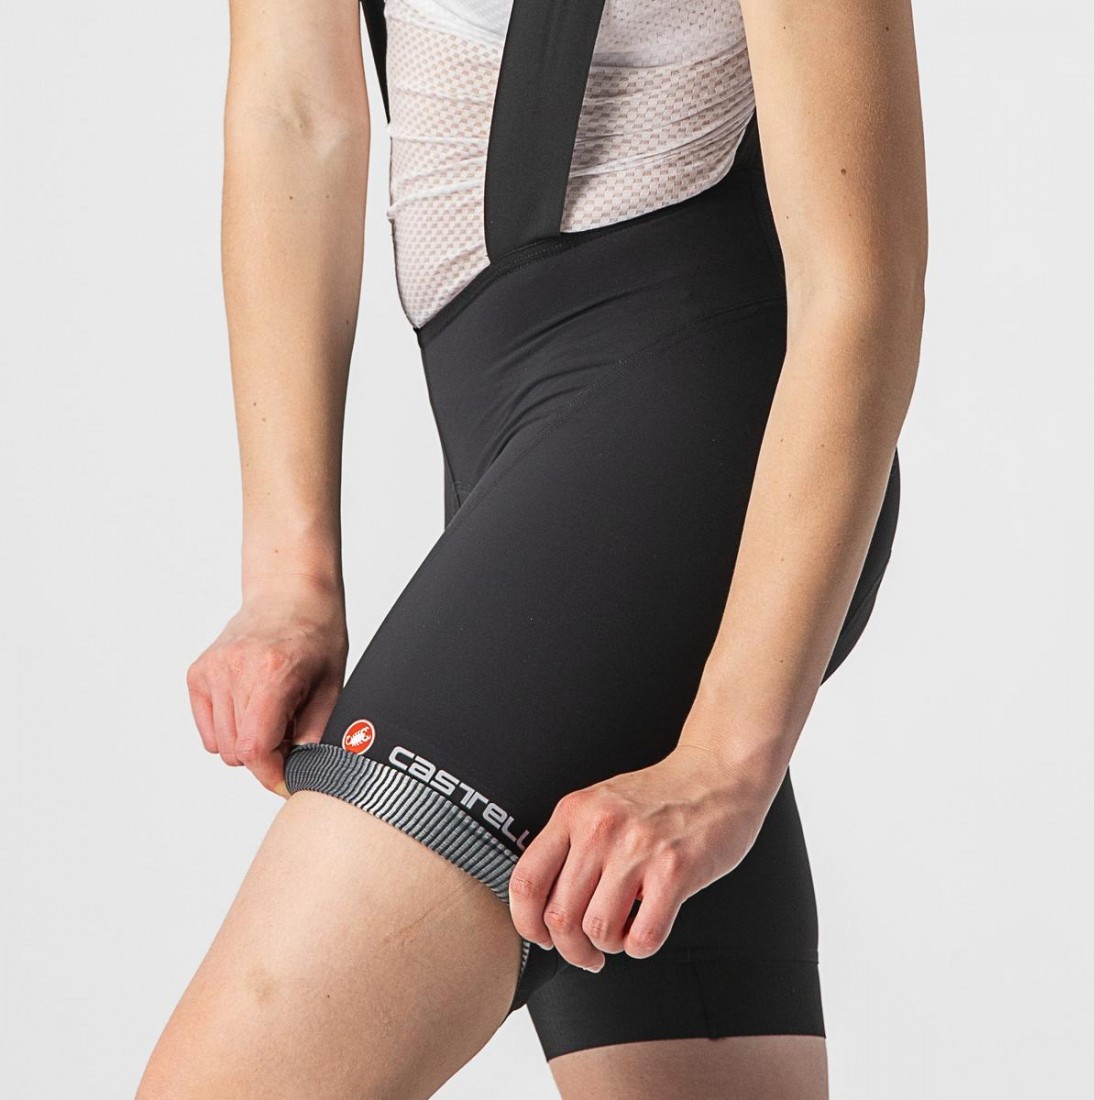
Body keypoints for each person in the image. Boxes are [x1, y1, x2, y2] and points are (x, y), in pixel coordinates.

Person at [138, 0, 925, 1095]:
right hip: (515, 453)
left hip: (682, 452)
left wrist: (725, 762)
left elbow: (859, 283)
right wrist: (288, 579)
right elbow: (294, 106)